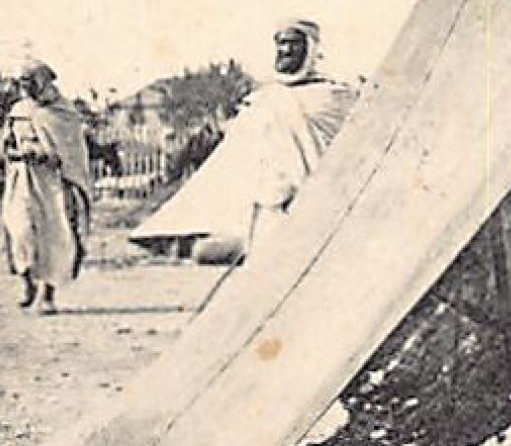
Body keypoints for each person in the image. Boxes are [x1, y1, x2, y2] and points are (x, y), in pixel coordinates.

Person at [129, 18, 356, 264]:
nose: (285, 50)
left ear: (311, 48)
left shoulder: (337, 97)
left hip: (320, 204)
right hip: (268, 207)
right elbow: (232, 161)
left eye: (294, 43)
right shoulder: (264, 100)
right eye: (280, 43)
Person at [0, 60, 92, 313]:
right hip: (21, 180)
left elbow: (70, 153)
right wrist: (17, 152)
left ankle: (47, 294)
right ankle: (27, 284)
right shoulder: (18, 110)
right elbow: (7, 145)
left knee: (52, 235)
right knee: (20, 231)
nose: (26, 87)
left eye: (30, 81)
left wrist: (45, 154)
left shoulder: (63, 114)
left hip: (51, 185)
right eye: (22, 83)